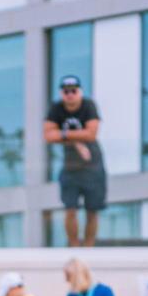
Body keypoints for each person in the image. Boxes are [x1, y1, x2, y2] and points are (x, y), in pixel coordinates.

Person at [44, 74, 106, 247]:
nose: (70, 94)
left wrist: (63, 135)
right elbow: (48, 135)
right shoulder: (56, 108)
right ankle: (74, 246)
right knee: (70, 209)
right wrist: (78, 142)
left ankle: (88, 248)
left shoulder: (88, 105)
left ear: (80, 91)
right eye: (66, 91)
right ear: (62, 93)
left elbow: (91, 133)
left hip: (93, 165)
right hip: (70, 166)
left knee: (92, 210)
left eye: (73, 90)